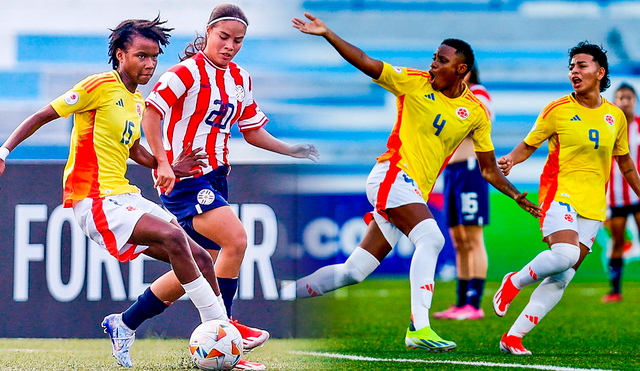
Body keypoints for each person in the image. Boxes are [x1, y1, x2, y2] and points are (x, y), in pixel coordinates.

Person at [290, 12, 541, 352]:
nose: (433, 65)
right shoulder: (413, 82)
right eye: (434, 58)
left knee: (355, 271)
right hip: (391, 176)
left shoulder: (475, 112)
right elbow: (365, 61)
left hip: (410, 189)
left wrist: (516, 196)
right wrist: (327, 34)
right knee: (432, 238)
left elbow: (487, 168)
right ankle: (419, 327)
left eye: (442, 60)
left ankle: (281, 294)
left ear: (461, 70)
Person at [0, 17, 232, 367]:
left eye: (154, 57)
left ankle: (124, 325)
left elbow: (132, 148)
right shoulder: (99, 86)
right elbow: (43, 114)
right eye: (141, 55)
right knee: (174, 237)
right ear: (121, 55)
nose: (150, 64)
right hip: (93, 198)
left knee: (200, 256)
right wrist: (3, 151)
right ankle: (221, 326)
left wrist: (165, 164)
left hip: (125, 195)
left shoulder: (135, 101)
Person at [106, 4, 319, 370]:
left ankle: (125, 322)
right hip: (187, 178)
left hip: (217, 178)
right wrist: (161, 162)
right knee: (236, 240)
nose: (230, 46)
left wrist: (290, 149)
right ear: (208, 33)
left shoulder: (240, 79)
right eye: (223, 37)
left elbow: (251, 130)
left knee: (193, 265)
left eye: (238, 40)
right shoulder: (186, 73)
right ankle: (227, 330)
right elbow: (152, 113)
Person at [493, 42, 640, 355]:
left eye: (582, 65)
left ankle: (513, 337)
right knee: (565, 256)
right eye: (572, 66)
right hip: (559, 195)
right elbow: (528, 145)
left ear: (600, 73)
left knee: (562, 278)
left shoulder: (616, 117)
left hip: (594, 206)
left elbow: (625, 164)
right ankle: (514, 282)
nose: (575, 71)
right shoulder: (557, 109)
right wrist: (510, 160)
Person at [434, 64, 494, 321]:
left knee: (473, 238)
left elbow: (477, 123)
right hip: (453, 172)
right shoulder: (450, 99)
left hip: (471, 170)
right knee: (458, 240)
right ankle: (460, 302)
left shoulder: (478, 93)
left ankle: (474, 303)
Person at [604, 83, 640, 303]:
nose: (625, 101)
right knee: (617, 243)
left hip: (638, 195)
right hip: (615, 197)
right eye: (621, 98)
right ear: (614, 102)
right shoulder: (608, 127)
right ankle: (615, 290)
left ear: (635, 101)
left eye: (629, 97)